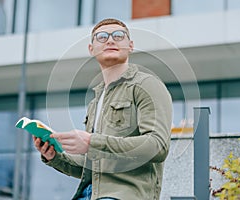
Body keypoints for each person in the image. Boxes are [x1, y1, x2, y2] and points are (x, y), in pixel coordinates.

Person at [33, 18, 173, 200]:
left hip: (124, 196)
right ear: (91, 49)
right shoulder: (95, 102)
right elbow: (94, 166)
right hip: (87, 195)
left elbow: (157, 146)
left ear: (130, 46)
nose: (110, 40)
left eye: (118, 35)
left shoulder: (147, 85)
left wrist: (92, 142)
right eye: (101, 37)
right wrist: (54, 157)